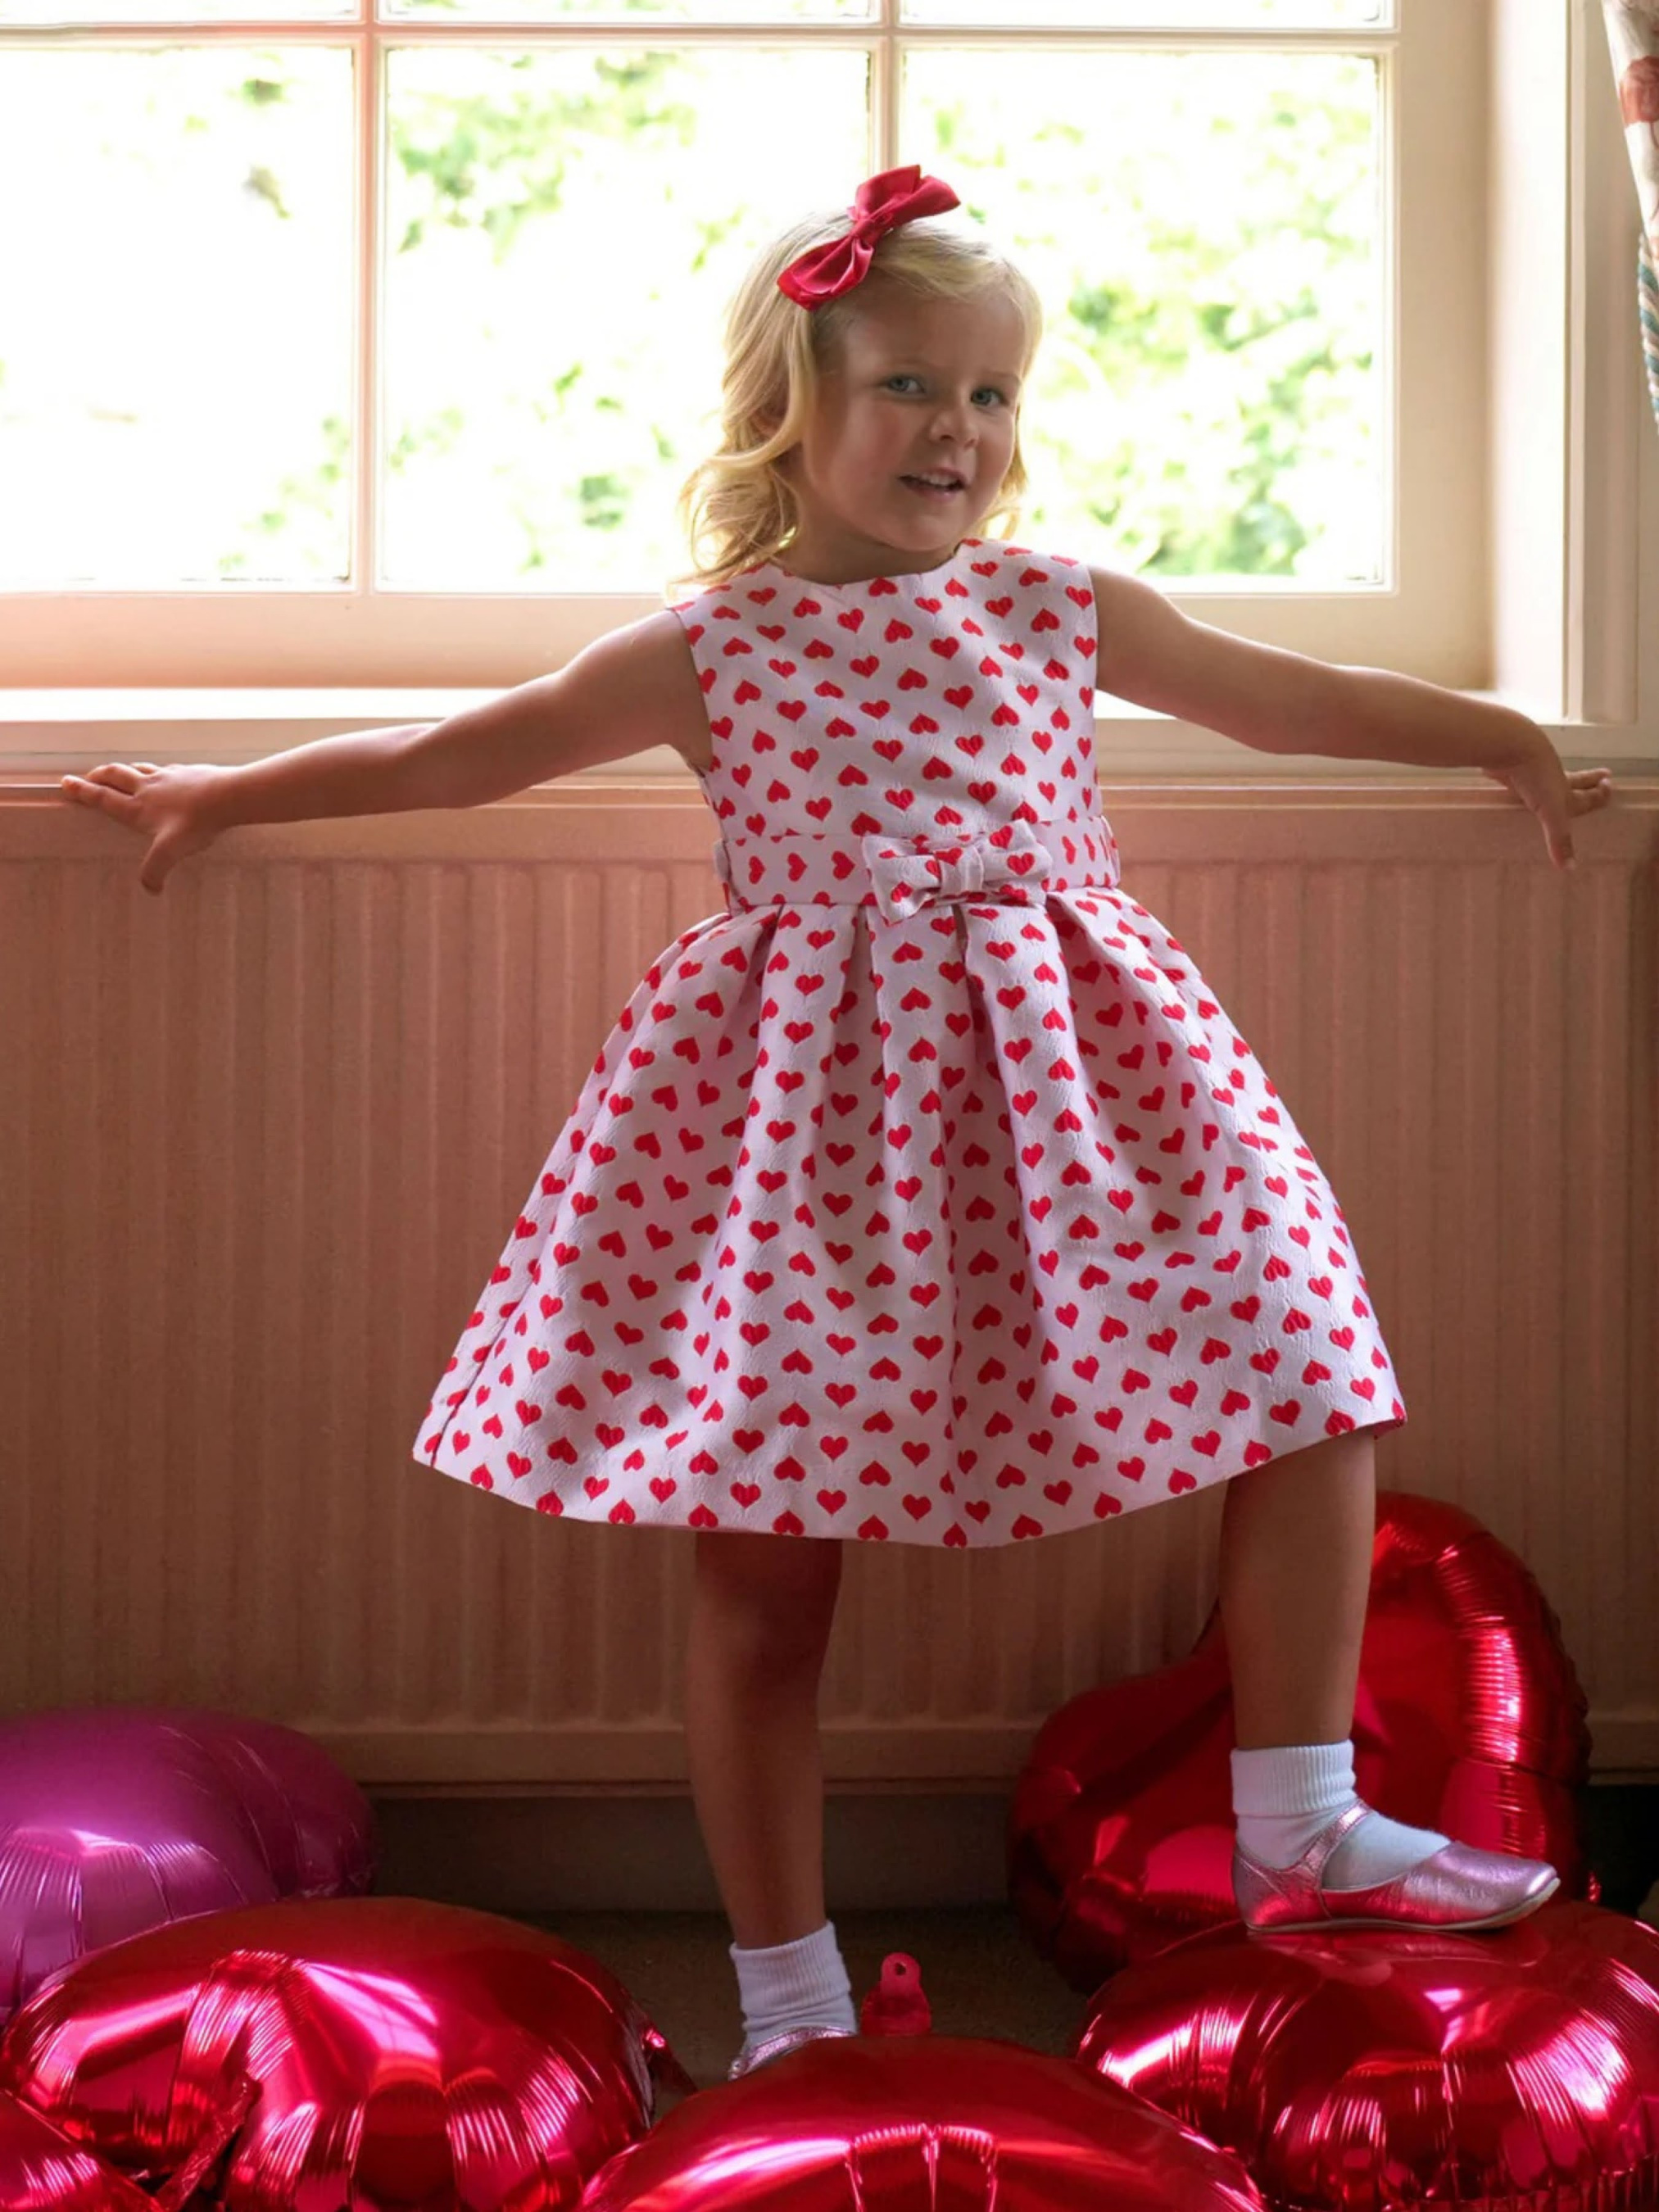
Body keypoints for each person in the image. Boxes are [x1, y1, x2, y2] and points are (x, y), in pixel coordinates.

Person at [58, 164, 1615, 2087]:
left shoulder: (1058, 607)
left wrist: (1487, 732)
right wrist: (227, 792)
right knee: (762, 1571)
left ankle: (1296, 1818)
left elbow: (1283, 699)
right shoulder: (709, 645)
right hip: (804, 1143)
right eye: (908, 388)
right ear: (791, 404)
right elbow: (460, 754)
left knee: (1307, 1369)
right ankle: (787, 1989)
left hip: (1087, 1098)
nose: (957, 432)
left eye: (990, 395)